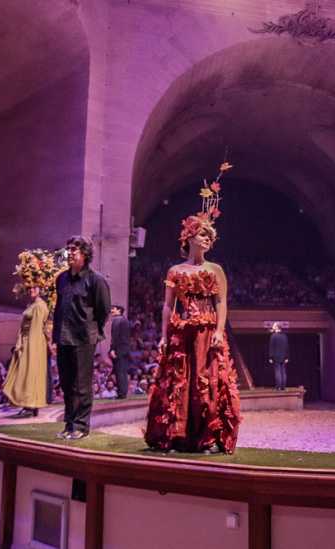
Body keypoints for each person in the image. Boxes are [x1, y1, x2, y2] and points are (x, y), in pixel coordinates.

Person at [144, 169, 241, 454]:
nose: (208, 239)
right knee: (179, 382)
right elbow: (167, 305)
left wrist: (220, 332)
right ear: (189, 238)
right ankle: (175, 436)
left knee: (206, 383)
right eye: (202, 234)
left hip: (207, 331)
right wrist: (163, 336)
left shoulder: (216, 270)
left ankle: (208, 438)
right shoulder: (175, 271)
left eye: (210, 235)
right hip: (180, 332)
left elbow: (222, 303)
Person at [52, 236, 111, 440]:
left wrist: (91, 330)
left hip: (84, 338)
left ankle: (81, 426)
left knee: (82, 386)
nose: (69, 253)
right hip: (63, 338)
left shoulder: (95, 280)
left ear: (84, 254)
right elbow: (59, 310)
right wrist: (55, 337)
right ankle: (69, 425)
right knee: (67, 384)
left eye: (73, 250)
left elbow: (103, 311)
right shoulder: (61, 279)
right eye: (68, 249)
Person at [3, 261, 55, 419]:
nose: (32, 290)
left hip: (32, 342)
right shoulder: (34, 304)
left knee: (29, 371)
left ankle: (29, 405)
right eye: (30, 287)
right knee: (27, 372)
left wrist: (28, 348)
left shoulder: (40, 306)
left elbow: (37, 328)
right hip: (28, 340)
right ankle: (30, 405)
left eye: (35, 287)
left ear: (40, 288)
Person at [109, 304, 131, 399]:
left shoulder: (117, 320)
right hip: (126, 348)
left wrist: (112, 349)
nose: (111, 311)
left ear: (119, 310)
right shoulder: (125, 321)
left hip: (119, 349)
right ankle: (123, 392)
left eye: (113, 309)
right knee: (123, 371)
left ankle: (121, 394)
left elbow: (115, 336)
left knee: (119, 371)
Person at [268, 322, 290, 392]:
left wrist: (271, 357)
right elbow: (287, 347)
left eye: (274, 326)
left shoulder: (273, 336)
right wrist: (287, 357)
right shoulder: (284, 336)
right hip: (283, 356)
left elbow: (272, 347)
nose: (273, 327)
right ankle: (283, 387)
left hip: (276, 356)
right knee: (283, 371)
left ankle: (278, 387)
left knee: (277, 371)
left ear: (277, 327)